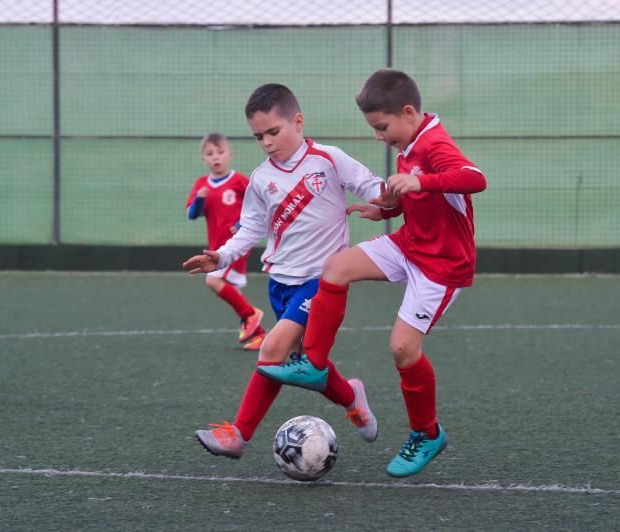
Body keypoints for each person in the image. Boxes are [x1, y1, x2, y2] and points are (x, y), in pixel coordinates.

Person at [259, 69, 487, 477]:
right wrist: (387, 208)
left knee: (403, 348)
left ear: (408, 112)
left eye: (382, 127)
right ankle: (314, 362)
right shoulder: (411, 139)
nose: (380, 136)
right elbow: (420, 196)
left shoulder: (434, 142)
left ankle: (426, 433)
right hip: (410, 244)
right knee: (337, 266)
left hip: (442, 266)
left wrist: (420, 181)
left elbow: (474, 179)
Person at [183, 83, 387, 458]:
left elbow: (371, 184)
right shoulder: (261, 178)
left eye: (273, 132)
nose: (267, 142)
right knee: (301, 363)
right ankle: (352, 398)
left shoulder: (329, 159)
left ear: (298, 121)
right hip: (281, 284)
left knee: (272, 350)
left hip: (321, 282)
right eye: (259, 136)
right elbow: (251, 228)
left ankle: (238, 434)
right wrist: (222, 257)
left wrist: (391, 197)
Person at [186, 132, 265, 351]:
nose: (216, 157)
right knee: (232, 291)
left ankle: (251, 315)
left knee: (212, 281)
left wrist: (241, 223)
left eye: (220, 152)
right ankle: (260, 335)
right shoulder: (202, 184)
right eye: (210, 154)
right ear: (204, 159)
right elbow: (192, 214)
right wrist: (200, 198)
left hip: (236, 247)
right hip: (216, 249)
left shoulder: (239, 181)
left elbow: (259, 204)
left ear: (230, 154)